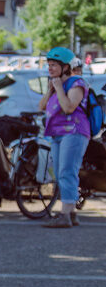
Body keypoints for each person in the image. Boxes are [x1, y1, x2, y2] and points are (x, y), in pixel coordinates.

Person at [39, 47, 88, 228]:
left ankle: (64, 216)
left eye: (54, 65)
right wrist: (51, 89)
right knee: (60, 174)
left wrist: (59, 87)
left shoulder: (77, 83)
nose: (50, 68)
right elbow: (41, 106)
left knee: (67, 172)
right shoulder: (55, 84)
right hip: (57, 133)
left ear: (65, 66)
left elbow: (68, 108)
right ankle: (72, 213)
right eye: (49, 65)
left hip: (74, 132)